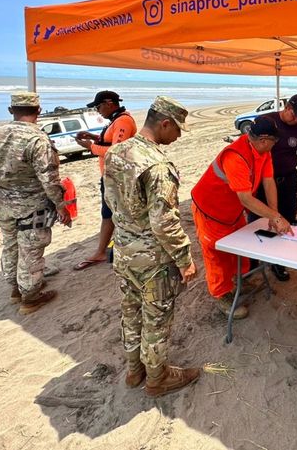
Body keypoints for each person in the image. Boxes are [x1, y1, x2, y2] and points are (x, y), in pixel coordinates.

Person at [103, 96, 201, 397]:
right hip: (153, 261)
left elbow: (109, 202)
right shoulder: (157, 165)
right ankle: (157, 379)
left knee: (131, 311)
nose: (178, 136)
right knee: (156, 319)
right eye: (178, 130)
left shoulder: (117, 152)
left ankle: (134, 371)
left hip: (124, 251)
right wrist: (184, 259)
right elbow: (164, 222)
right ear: (165, 124)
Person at [0, 92, 71, 315]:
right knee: (30, 249)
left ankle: (15, 288)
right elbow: (49, 179)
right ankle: (30, 298)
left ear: (11, 110)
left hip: (4, 203)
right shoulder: (38, 140)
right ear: (38, 110)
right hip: (33, 205)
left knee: (11, 245)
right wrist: (61, 205)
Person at [191, 116, 292, 319]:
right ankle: (221, 294)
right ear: (263, 140)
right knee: (216, 254)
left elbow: (268, 181)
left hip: (233, 210)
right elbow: (246, 198)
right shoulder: (236, 157)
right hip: (211, 211)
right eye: (274, 141)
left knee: (240, 248)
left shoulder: (263, 151)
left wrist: (274, 214)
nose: (275, 144)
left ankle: (237, 280)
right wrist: (275, 217)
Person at [246, 94, 297, 282]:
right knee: (256, 221)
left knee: (287, 219)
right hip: (263, 181)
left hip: (288, 181)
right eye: (295, 114)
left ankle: (278, 262)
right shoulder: (267, 122)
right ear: (287, 107)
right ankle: (252, 262)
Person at [74, 90, 137, 270]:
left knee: (111, 213)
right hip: (111, 176)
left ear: (109, 103)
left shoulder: (123, 121)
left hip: (117, 177)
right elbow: (111, 142)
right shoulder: (117, 120)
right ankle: (104, 250)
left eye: (98, 106)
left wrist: (91, 147)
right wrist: (93, 137)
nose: (97, 111)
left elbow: (117, 152)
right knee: (110, 213)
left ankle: (104, 251)